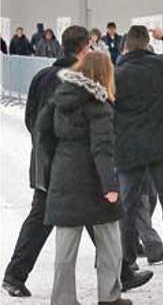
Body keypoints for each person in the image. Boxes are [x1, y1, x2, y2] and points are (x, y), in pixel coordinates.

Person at [3, 26, 152, 298]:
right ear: (84, 48)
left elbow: (34, 120)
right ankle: (118, 276)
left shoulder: (42, 76)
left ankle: (120, 273)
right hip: (77, 164)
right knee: (83, 215)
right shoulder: (82, 80)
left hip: (48, 161)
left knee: (58, 217)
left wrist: (47, 148)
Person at [37, 52, 131, 305]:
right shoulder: (98, 105)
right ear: (104, 73)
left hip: (64, 175)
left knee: (65, 246)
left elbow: (42, 133)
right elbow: (102, 148)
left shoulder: (59, 98)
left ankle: (62, 299)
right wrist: (110, 186)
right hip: (93, 180)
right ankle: (110, 296)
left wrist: (50, 166)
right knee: (109, 240)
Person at [114, 26, 163, 275]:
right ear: (148, 43)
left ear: (126, 46)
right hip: (161, 145)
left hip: (129, 148)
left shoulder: (117, 74)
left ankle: (127, 257)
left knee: (128, 204)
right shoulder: (161, 65)